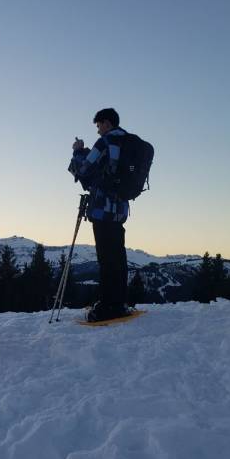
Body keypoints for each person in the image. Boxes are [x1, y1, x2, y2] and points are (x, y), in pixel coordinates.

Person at [69, 107, 135, 322]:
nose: (98, 131)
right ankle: (119, 302)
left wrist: (78, 151)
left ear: (107, 123)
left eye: (99, 126)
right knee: (118, 255)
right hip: (120, 209)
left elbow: (85, 169)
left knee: (106, 258)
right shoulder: (127, 143)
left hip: (102, 208)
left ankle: (108, 306)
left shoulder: (105, 141)